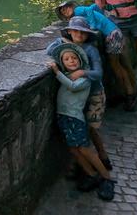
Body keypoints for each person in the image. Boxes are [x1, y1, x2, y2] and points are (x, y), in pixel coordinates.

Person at [48, 42, 115, 201]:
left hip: (75, 118)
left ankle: (107, 178)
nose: (71, 61)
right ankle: (92, 175)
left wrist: (57, 72)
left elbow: (72, 86)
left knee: (84, 149)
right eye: (66, 59)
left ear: (81, 61)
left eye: (74, 58)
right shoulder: (68, 74)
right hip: (63, 116)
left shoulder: (84, 78)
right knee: (73, 149)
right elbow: (51, 49)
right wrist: (61, 41)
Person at [47, 17, 111, 169]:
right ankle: (83, 165)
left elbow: (98, 73)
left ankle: (103, 156)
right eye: (75, 31)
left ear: (87, 34)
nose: (79, 34)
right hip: (77, 97)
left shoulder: (91, 49)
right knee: (81, 131)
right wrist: (62, 40)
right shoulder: (68, 46)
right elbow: (49, 51)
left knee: (90, 128)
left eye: (83, 32)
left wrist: (82, 72)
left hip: (94, 94)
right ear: (70, 31)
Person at [55, 0, 137, 112]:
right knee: (120, 65)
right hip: (114, 32)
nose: (65, 11)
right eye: (63, 11)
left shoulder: (78, 10)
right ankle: (128, 92)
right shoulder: (79, 15)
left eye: (66, 8)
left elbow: (91, 8)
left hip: (112, 34)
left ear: (71, 6)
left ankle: (129, 94)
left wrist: (93, 25)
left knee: (116, 66)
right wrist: (102, 19)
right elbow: (96, 6)